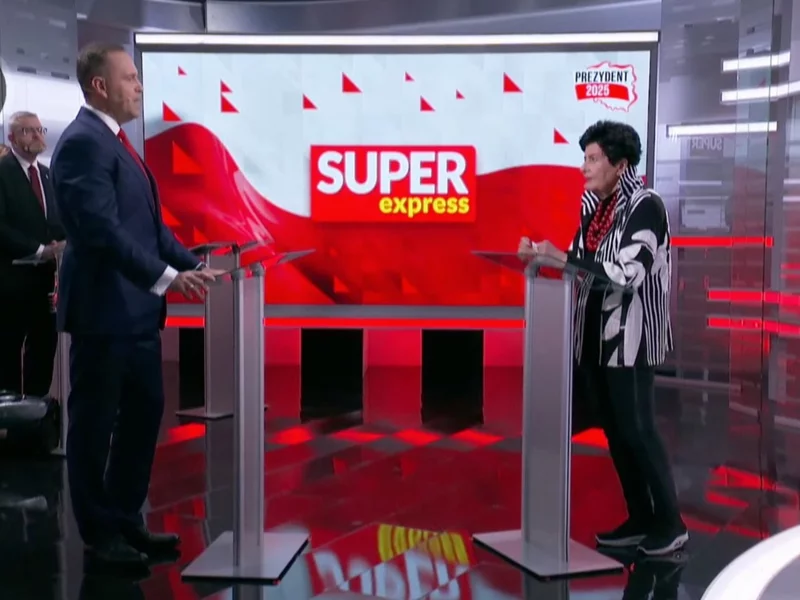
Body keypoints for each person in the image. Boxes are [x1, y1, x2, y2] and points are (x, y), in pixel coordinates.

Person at [51, 41, 222, 567]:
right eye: (130, 77)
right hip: (103, 315)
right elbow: (101, 232)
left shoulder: (117, 143)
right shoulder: (83, 144)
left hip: (138, 317)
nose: (140, 86)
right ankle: (100, 536)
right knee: (94, 427)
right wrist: (167, 278)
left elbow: (150, 230)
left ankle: (126, 519)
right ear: (100, 86)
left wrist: (192, 263)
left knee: (143, 417)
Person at [518, 120, 688, 556]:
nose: (584, 167)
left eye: (593, 159)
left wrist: (564, 258)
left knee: (639, 430)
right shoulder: (595, 208)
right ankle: (641, 517)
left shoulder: (646, 206)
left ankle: (670, 524)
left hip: (631, 339)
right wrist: (541, 257)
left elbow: (628, 273)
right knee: (615, 432)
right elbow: (580, 261)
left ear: (620, 164)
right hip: (594, 339)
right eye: (585, 158)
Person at [0, 112, 65, 396]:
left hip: (46, 284)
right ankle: (11, 414)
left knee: (44, 350)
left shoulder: (48, 174)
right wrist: (39, 250)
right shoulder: (3, 172)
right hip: (11, 283)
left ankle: (37, 410)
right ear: (12, 138)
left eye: (40, 129)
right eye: (28, 131)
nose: (38, 135)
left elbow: (54, 222)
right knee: (8, 354)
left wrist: (65, 242)